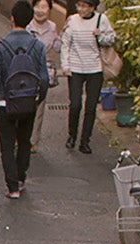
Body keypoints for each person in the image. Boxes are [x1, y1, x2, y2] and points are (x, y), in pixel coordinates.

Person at [0, 2, 49, 199]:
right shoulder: (37, 45)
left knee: (6, 144)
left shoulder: (0, 46)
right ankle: (21, 178)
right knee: (24, 141)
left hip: (5, 102)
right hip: (28, 101)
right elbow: (44, 78)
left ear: (12, 18)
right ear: (30, 19)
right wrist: (38, 98)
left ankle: (12, 186)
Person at [61, 0, 115, 154]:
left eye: (85, 6)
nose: (81, 9)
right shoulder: (72, 20)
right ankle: (72, 135)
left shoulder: (101, 19)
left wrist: (101, 36)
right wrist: (66, 66)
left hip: (95, 68)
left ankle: (85, 141)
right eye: (79, 6)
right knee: (75, 104)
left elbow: (111, 39)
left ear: (92, 7)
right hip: (76, 68)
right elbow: (66, 44)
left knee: (91, 107)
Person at [26, 0, 63, 152]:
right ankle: (21, 136)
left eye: (44, 7)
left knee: (40, 106)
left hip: (43, 72)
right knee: (26, 104)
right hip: (28, 70)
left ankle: (33, 140)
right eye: (37, 6)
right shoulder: (27, 27)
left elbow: (58, 48)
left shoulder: (52, 27)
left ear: (49, 9)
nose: (40, 10)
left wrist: (60, 37)